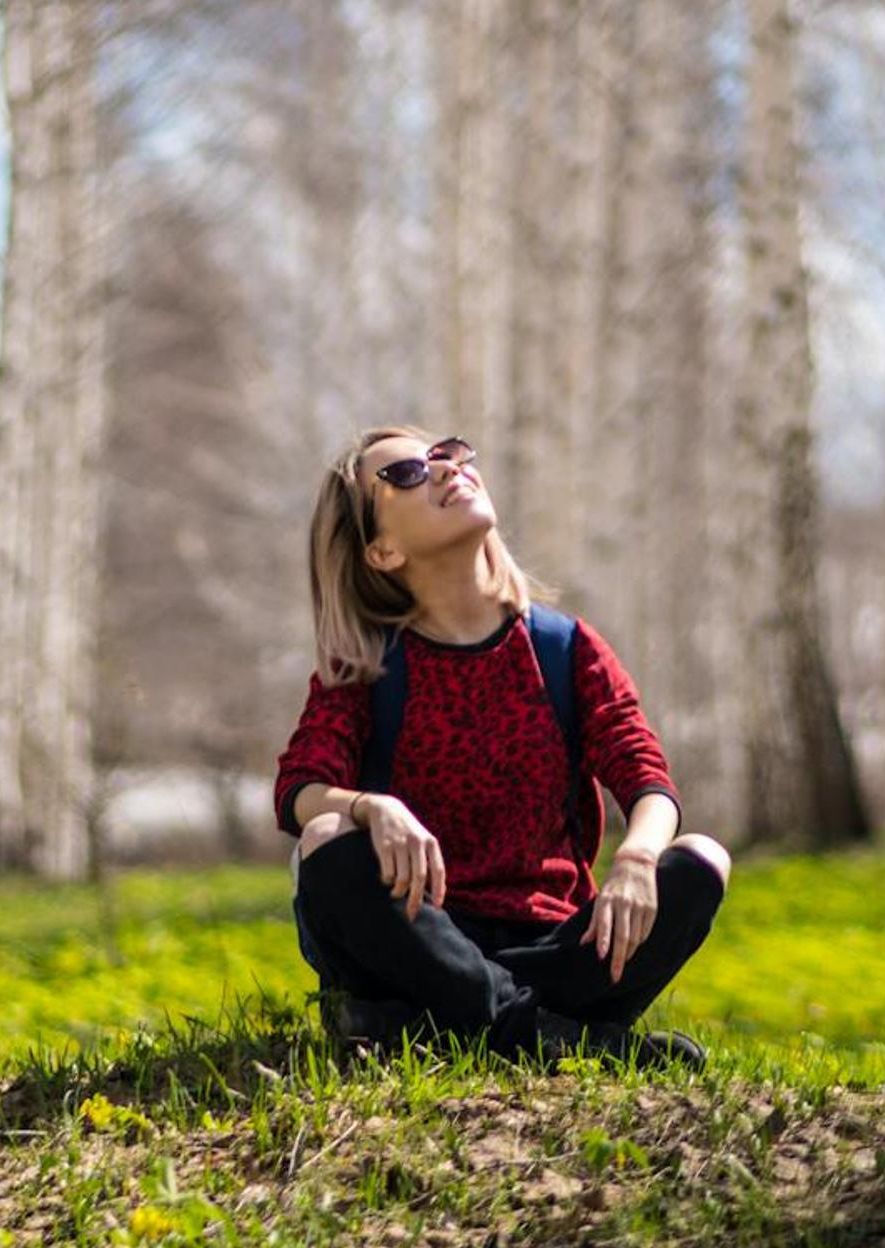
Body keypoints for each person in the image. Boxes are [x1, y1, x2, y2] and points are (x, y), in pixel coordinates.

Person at [274, 425, 731, 1067]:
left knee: (701, 859)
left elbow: (646, 776)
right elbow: (299, 789)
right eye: (406, 474)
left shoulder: (565, 649)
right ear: (381, 551)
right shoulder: (366, 666)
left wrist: (635, 857)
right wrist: (370, 806)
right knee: (327, 836)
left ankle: (437, 1026)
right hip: (422, 940)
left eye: (446, 454)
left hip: (556, 949)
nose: (444, 469)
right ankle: (554, 1036)